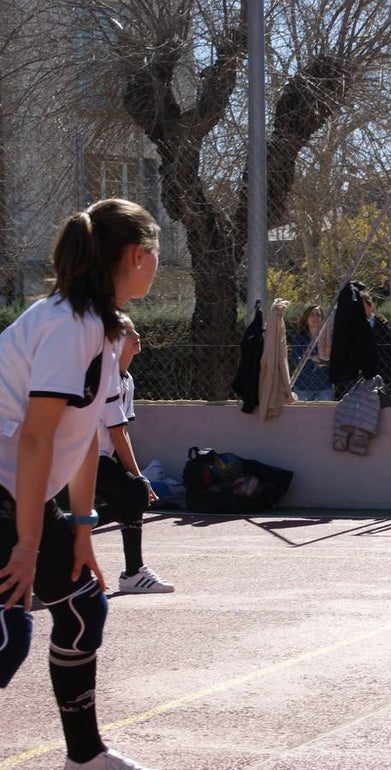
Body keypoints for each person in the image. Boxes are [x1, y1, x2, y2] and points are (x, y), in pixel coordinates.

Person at [0, 198, 160, 769]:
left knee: (81, 607)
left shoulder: (105, 329)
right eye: (154, 254)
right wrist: (26, 545)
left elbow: (85, 436)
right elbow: (36, 438)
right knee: (6, 639)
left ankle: (85, 757)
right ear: (139, 255)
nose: (154, 264)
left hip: (19, 493)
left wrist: (83, 530)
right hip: (6, 491)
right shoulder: (71, 325)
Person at [97, 317, 174, 594]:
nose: (136, 334)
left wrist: (137, 478)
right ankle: (133, 572)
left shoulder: (126, 379)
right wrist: (140, 478)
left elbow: (122, 433)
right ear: (112, 343)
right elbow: (117, 435)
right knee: (135, 491)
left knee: (133, 494)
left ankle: (66, 529)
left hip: (99, 458)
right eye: (127, 332)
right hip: (77, 458)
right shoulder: (106, 377)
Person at [289, 305, 334, 401]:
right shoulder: (299, 339)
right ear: (306, 319)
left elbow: (332, 361)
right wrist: (319, 359)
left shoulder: (329, 339)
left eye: (318, 315)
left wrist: (311, 357)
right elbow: (297, 360)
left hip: (324, 387)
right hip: (302, 387)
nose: (315, 317)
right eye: (312, 315)